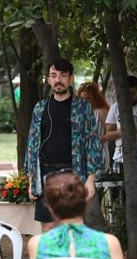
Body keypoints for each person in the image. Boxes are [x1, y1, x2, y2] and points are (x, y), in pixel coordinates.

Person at [23, 57, 103, 232]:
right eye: (54, 75)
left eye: (63, 75)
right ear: (49, 79)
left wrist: (91, 179)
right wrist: (32, 180)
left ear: (71, 79)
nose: (58, 80)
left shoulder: (83, 108)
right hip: (45, 173)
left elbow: (92, 142)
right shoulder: (39, 108)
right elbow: (32, 144)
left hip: (73, 173)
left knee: (72, 227)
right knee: (48, 227)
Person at [104, 75, 137, 176]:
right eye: (126, 94)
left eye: (132, 93)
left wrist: (136, 129)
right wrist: (121, 132)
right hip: (119, 158)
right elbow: (108, 135)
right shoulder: (115, 107)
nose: (129, 97)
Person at [77, 82, 111, 174]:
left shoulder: (101, 112)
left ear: (95, 98)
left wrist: (101, 138)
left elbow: (111, 133)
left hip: (98, 154)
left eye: (87, 99)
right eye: (81, 99)